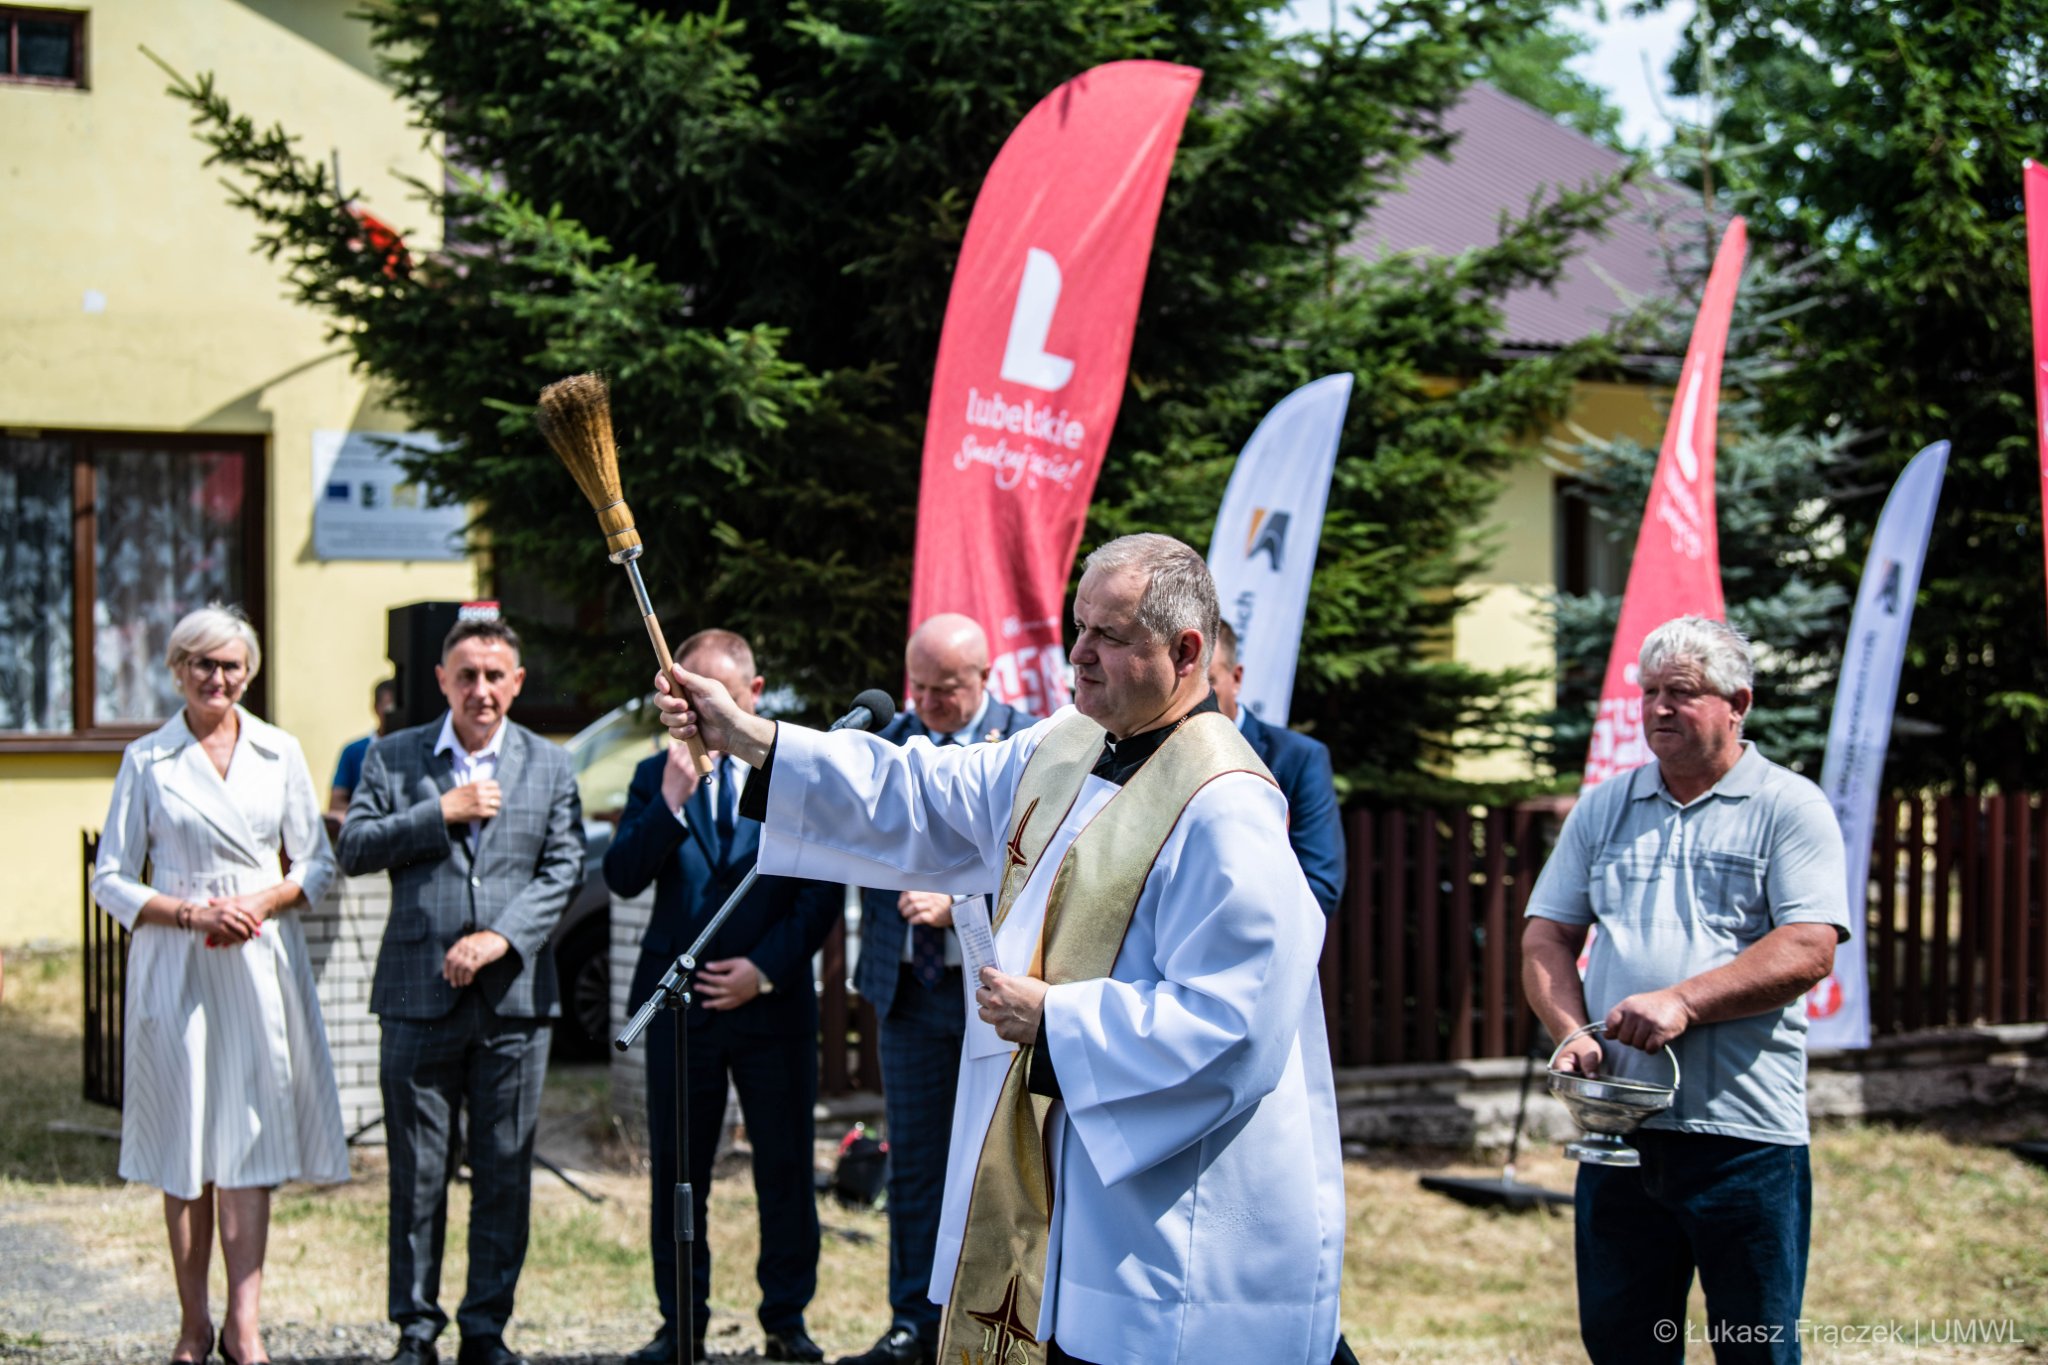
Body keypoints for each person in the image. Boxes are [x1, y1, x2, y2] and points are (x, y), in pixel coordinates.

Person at [655, 533, 1343, 1365]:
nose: (1078, 656)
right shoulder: (1066, 743)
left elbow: (1234, 1028)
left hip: (1162, 1219)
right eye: (1076, 627)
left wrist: (1057, 1018)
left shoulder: (1226, 806)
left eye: (1109, 637)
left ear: (1187, 650)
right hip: (1058, 1175)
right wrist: (755, 739)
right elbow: (917, 790)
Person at [1521, 615, 1848, 1365]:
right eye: (1651, 692)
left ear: (1739, 703)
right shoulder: (1608, 805)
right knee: (1624, 1344)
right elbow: (1545, 936)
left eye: (1684, 692)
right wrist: (1572, 1031)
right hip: (1621, 1135)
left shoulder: (1788, 806)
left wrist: (1685, 1000)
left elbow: (1809, 947)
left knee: (1754, 1347)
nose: (1659, 708)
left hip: (1744, 1137)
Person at [91, 603, 348, 1365]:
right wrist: (186, 909)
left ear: (250, 672)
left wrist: (262, 900)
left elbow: (317, 865)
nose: (218, 678)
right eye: (203, 663)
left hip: (259, 959)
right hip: (179, 961)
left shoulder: (279, 751)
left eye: (232, 665)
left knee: (249, 1142)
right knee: (185, 1142)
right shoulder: (147, 759)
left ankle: (245, 1322)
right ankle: (191, 1321)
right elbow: (109, 876)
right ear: (177, 669)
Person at [336, 617, 583, 1365]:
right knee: (417, 1171)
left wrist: (501, 937)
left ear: (517, 682)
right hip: (416, 994)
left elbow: (564, 866)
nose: (481, 688)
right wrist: (437, 812)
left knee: (505, 1166)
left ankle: (486, 1327)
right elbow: (353, 847)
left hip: (513, 999)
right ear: (441, 679)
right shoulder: (394, 755)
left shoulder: (550, 764)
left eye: (494, 674)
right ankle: (416, 1327)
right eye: (466, 674)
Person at [606, 629, 841, 1365]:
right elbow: (621, 874)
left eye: (716, 693)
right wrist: (669, 803)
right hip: (682, 1012)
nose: (699, 707)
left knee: (783, 1165)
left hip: (771, 1006)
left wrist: (762, 969)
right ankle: (682, 1322)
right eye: (685, 693)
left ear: (753, 694)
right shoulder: (656, 774)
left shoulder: (792, 778)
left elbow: (818, 893)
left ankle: (786, 1316)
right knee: (680, 1171)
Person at [839, 614, 1034, 1365]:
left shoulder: (1030, 745)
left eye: (945, 687)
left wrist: (960, 899)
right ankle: (911, 1324)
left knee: (1004, 1163)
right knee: (915, 1159)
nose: (927, 700)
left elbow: (1041, 860)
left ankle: (994, 1323)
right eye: (917, 685)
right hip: (911, 992)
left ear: (985, 678)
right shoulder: (891, 744)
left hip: (998, 997)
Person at [1204, 621, 1346, 916]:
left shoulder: (1299, 758)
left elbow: (1319, 886)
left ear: (1237, 678)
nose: (1197, 698)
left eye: (1209, 682)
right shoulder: (1155, 751)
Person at [330, 678, 401, 815]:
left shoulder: (416, 750)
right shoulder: (355, 751)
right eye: (388, 709)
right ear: (375, 707)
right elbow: (336, 803)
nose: (393, 716)